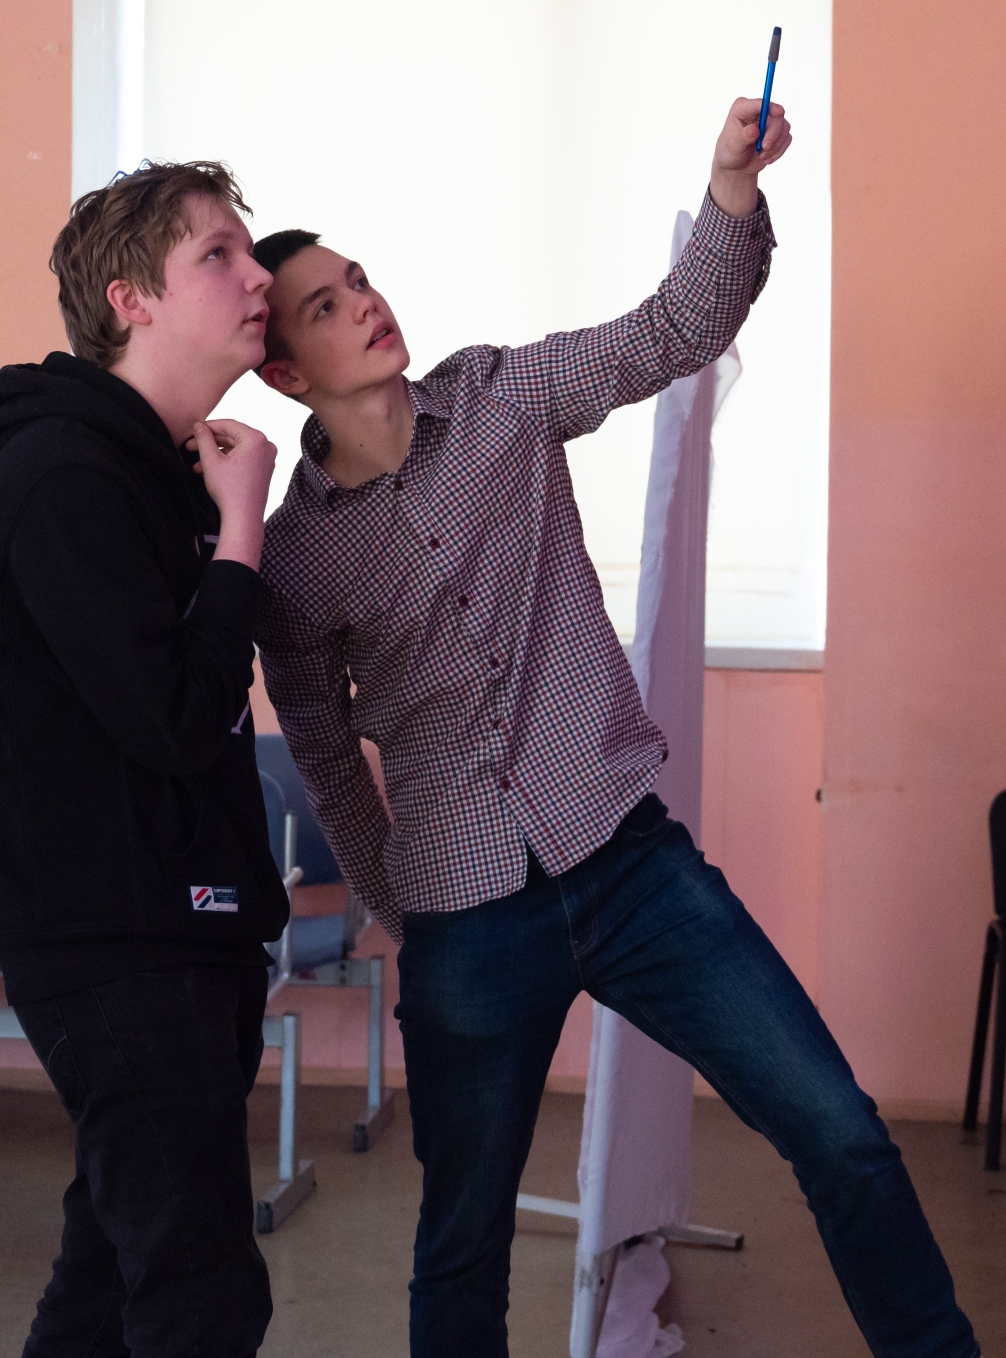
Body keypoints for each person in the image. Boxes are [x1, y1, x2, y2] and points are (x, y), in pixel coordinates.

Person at [252, 100, 980, 1358]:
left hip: (628, 862)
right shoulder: (294, 559)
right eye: (325, 305)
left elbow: (674, 328)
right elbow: (321, 749)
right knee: (460, 1248)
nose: (364, 304)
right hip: (465, 917)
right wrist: (400, 904)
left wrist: (728, 186)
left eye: (359, 279)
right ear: (282, 373)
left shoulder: (500, 396)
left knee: (841, 1133)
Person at [0, 161, 287, 1358]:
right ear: (128, 299)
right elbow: (178, 717)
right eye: (217, 255)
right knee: (199, 1296)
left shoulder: (152, 471)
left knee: (104, 1285)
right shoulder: (66, 481)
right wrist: (240, 531)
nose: (257, 277)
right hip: (122, 948)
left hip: (172, 934)